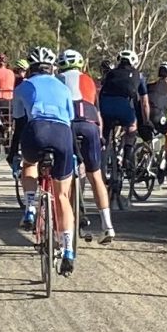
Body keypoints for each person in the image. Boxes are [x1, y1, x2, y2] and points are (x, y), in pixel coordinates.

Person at [10, 46, 79, 276]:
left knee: (29, 164)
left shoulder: (23, 86)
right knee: (62, 196)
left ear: (31, 68)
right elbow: (70, 119)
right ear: (51, 68)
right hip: (62, 134)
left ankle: (30, 207)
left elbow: (19, 123)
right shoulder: (63, 87)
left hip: (36, 130)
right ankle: (68, 250)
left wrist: (14, 153)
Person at [57, 49, 116, 244]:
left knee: (64, 176)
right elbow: (98, 113)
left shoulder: (57, 79)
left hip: (68, 125)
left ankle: (68, 224)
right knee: (96, 176)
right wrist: (100, 136)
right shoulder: (89, 80)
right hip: (90, 126)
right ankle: (107, 226)